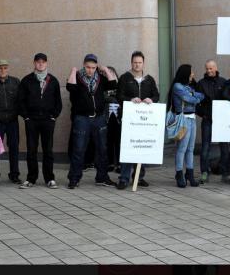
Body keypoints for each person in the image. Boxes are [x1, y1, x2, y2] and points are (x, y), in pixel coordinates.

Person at [65, 54, 118, 189]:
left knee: (102, 149)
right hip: (82, 118)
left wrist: (105, 70)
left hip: (99, 118)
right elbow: (70, 87)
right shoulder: (76, 77)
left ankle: (102, 177)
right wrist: (73, 71)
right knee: (79, 149)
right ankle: (74, 178)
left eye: (93, 68)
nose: (90, 70)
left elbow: (113, 84)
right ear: (84, 65)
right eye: (88, 67)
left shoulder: (100, 78)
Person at [116, 51, 160, 190]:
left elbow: (157, 95)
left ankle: (139, 177)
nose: (137, 65)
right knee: (128, 148)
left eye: (139, 62)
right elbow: (119, 96)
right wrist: (130, 99)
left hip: (144, 120)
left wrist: (151, 99)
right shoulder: (124, 78)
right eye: (135, 62)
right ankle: (123, 178)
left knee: (142, 147)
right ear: (131, 63)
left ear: (143, 63)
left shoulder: (149, 79)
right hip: (129, 120)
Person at [18, 53, 62, 189]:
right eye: (38, 62)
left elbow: (58, 102)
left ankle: (49, 178)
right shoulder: (26, 80)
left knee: (48, 150)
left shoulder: (53, 81)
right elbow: (20, 101)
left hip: (48, 121)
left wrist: (53, 116)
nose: (41, 64)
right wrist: (26, 117)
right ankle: (31, 178)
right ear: (34, 63)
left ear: (47, 63)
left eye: (43, 62)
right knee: (31, 150)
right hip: (32, 120)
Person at [169, 64, 205, 188]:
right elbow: (190, 99)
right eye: (191, 72)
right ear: (185, 73)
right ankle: (179, 174)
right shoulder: (178, 86)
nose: (193, 74)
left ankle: (189, 174)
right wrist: (194, 97)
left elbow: (201, 96)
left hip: (192, 118)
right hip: (183, 119)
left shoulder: (187, 87)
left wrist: (194, 96)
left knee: (190, 149)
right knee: (182, 148)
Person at [196, 59, 229, 184]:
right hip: (208, 119)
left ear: (216, 68)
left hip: (222, 120)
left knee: (224, 146)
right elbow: (197, 101)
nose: (209, 71)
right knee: (205, 146)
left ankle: (225, 172)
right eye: (207, 69)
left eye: (211, 68)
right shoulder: (201, 83)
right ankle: (204, 172)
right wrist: (202, 114)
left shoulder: (223, 82)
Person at [103, 66, 121, 174]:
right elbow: (102, 97)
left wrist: (112, 98)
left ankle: (119, 164)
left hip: (119, 117)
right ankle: (110, 163)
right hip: (107, 116)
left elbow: (121, 97)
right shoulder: (104, 85)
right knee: (108, 141)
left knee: (118, 141)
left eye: (111, 72)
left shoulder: (120, 85)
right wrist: (114, 99)